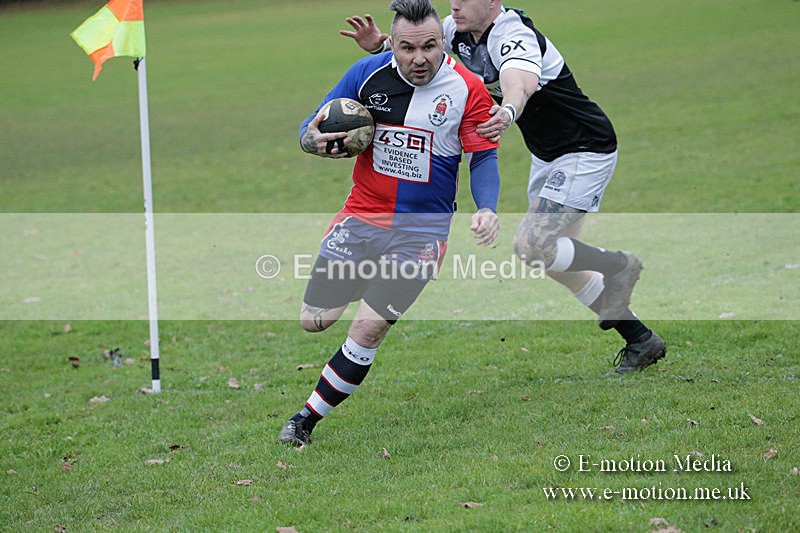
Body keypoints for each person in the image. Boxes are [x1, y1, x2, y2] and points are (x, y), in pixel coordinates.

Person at [342, 1, 666, 374]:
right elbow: (424, 49)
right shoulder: (458, 28)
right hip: (548, 154)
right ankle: (641, 340)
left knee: (533, 244)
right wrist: (381, 44)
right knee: (553, 259)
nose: (455, 4)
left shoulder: (514, 35)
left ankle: (618, 265)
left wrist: (508, 111)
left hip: (584, 148)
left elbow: (520, 83)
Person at [278, 0, 502, 446]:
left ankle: (303, 421)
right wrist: (314, 140)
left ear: (443, 41)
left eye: (429, 47)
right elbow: (313, 124)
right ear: (392, 46)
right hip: (362, 216)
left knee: (368, 328)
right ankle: (367, 281)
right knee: (315, 320)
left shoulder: (468, 88)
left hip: (423, 231)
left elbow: (483, 156)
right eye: (407, 48)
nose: (419, 59)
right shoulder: (366, 74)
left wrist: (487, 206)